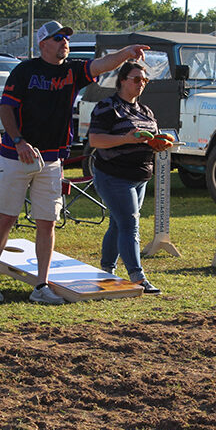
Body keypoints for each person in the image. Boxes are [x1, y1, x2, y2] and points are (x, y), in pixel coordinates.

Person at [0, 21, 149, 304]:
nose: (64, 43)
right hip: (17, 154)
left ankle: (40, 286)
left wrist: (126, 52)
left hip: (52, 158)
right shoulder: (24, 70)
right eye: (58, 38)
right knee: (6, 217)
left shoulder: (72, 70)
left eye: (66, 38)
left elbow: (101, 65)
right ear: (43, 44)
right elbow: (5, 108)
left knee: (47, 222)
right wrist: (18, 141)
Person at [87, 61, 165, 294]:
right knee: (130, 224)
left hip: (139, 175)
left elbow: (150, 137)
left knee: (118, 223)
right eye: (136, 79)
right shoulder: (107, 107)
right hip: (113, 175)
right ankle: (137, 277)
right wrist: (125, 139)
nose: (141, 84)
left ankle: (106, 269)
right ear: (122, 80)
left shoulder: (145, 110)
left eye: (145, 80)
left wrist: (157, 143)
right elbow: (95, 141)